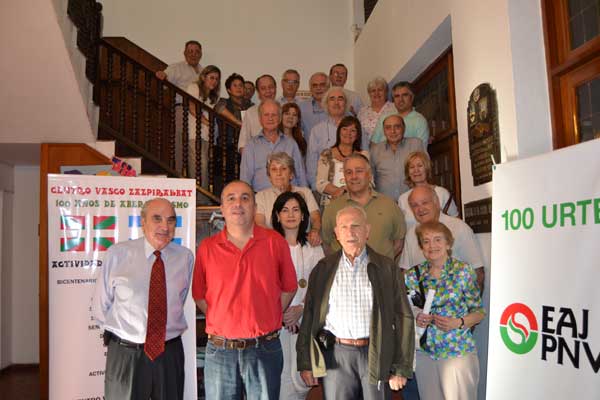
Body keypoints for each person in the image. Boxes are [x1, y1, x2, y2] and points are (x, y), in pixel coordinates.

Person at [193, 181, 298, 400]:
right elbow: (200, 295)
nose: (238, 203)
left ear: (255, 207)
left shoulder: (274, 242)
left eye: (245, 198)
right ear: (221, 209)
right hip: (220, 351)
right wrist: (226, 318)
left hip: (264, 350)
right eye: (230, 198)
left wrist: (266, 313)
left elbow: (289, 287)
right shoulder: (207, 248)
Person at [297, 205, 415, 400]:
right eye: (343, 227)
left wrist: (401, 367)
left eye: (356, 226)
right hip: (336, 355)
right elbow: (309, 316)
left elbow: (404, 317)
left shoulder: (387, 268)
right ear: (336, 233)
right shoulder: (323, 269)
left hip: (375, 353)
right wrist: (305, 362)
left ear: (367, 231)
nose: (350, 232)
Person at [92, 198, 194, 400]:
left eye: (171, 220)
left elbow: (177, 302)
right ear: (143, 221)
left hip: (169, 354)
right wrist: (127, 334)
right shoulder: (118, 254)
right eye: (157, 219)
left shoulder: (185, 257)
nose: (165, 227)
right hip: (126, 355)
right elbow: (101, 306)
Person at [405, 221, 485, 400]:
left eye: (437, 239)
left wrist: (458, 322)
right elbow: (406, 309)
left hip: (457, 353)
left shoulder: (463, 272)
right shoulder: (412, 275)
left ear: (448, 244)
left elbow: (479, 312)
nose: (432, 245)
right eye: (426, 241)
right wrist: (417, 316)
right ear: (421, 247)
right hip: (425, 354)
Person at [271, 192, 324, 400]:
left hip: (305, 320)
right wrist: (283, 312)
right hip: (277, 322)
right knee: (280, 376)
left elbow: (320, 286)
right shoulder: (269, 246)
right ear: (277, 216)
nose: (290, 215)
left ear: (303, 215)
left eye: (296, 209)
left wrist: (300, 308)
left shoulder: (314, 248)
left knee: (299, 379)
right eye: (284, 210)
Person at [398, 185, 484, 290]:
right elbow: (405, 273)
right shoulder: (411, 233)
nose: (420, 209)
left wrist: (472, 304)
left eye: (425, 203)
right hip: (421, 304)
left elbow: (477, 273)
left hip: (456, 303)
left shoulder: (459, 228)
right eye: (415, 205)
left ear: (437, 203)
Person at [321, 153, 405, 260]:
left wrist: (381, 264)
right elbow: (326, 245)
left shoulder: (389, 205)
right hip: (345, 275)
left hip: (381, 274)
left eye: (359, 171)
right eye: (349, 172)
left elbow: (398, 243)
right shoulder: (332, 208)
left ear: (369, 175)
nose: (354, 176)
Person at [240, 99, 307, 191]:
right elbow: (245, 182)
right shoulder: (251, 146)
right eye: (266, 115)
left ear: (279, 118)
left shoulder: (291, 144)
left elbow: (301, 177)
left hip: (289, 199)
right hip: (262, 200)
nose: (270, 118)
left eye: (274, 115)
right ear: (260, 119)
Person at [255, 152, 321, 245]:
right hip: (272, 244)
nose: (278, 173)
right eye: (274, 169)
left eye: (283, 168)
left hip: (302, 244)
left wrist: (314, 231)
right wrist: (278, 241)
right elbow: (259, 224)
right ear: (269, 176)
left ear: (291, 174)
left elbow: (315, 217)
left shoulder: (305, 192)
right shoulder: (261, 196)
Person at [316, 115, 369, 207]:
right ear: (339, 131)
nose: (348, 133)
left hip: (358, 205)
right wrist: (341, 192)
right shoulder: (326, 154)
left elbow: (369, 181)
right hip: (332, 204)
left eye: (353, 130)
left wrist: (351, 193)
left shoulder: (363, 155)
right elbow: (320, 183)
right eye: (345, 129)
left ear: (357, 135)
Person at [370, 114, 424, 200]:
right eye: (388, 128)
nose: (393, 131)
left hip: (413, 202)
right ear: (384, 131)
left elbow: (426, 172)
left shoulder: (415, 144)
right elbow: (370, 180)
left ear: (404, 128)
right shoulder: (375, 150)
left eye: (397, 127)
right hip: (385, 204)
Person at [398, 151, 458, 228]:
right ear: (408, 172)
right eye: (412, 167)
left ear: (427, 169)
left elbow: (456, 221)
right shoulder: (402, 199)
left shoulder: (442, 193)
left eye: (420, 166)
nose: (416, 170)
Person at [184, 65, 221, 187]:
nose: (214, 81)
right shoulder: (194, 87)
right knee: (199, 167)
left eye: (216, 79)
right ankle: (201, 200)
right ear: (204, 77)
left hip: (206, 136)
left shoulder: (213, 96)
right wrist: (207, 123)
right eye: (211, 77)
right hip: (195, 134)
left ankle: (203, 198)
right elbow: (192, 107)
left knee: (205, 168)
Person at [306, 86, 348, 190]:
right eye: (332, 99)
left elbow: (365, 158)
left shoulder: (357, 127)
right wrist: (315, 187)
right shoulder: (317, 130)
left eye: (340, 98)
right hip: (324, 190)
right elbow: (311, 163)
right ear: (326, 104)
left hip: (352, 188)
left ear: (346, 104)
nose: (336, 102)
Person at [371, 81, 430, 146]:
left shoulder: (420, 121)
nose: (400, 99)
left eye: (404, 95)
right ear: (393, 100)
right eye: (397, 96)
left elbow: (421, 151)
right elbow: (373, 145)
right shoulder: (384, 118)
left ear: (412, 97)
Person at [238, 74, 277, 152]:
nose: (268, 91)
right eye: (263, 88)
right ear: (258, 92)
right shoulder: (250, 112)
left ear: (275, 88)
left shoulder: (284, 111)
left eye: (271, 87)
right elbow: (242, 145)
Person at [357, 76, 396, 146]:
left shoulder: (395, 108)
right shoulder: (362, 112)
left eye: (380, 90)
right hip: (367, 150)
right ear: (369, 93)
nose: (376, 93)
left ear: (386, 92)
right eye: (373, 91)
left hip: (390, 148)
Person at [298, 72, 330, 142]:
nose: (318, 88)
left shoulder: (337, 106)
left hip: (333, 152)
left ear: (328, 87)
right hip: (310, 152)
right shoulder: (301, 107)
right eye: (315, 85)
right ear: (310, 89)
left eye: (322, 85)